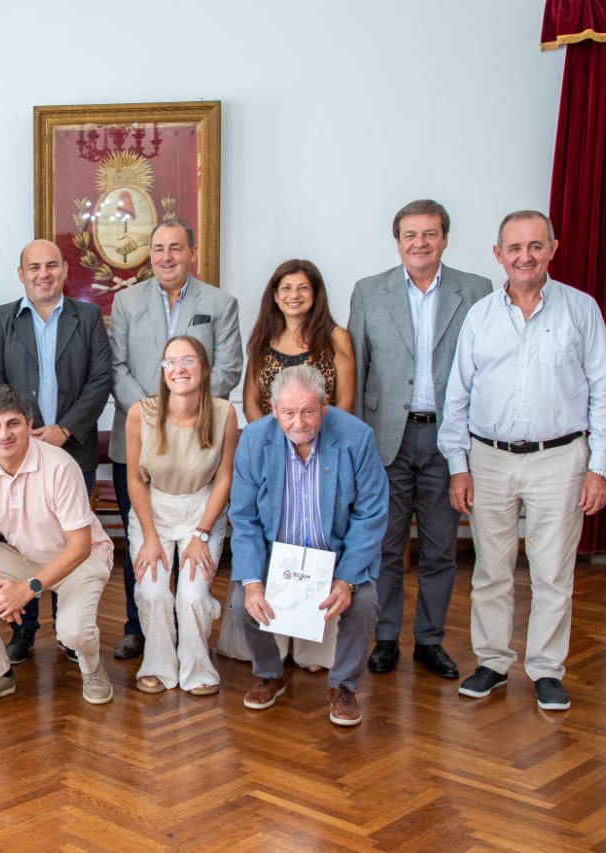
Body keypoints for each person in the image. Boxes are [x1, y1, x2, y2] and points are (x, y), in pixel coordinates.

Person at [439, 210, 606, 712]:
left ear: (552, 249)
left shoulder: (581, 310)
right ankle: (493, 662)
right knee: (490, 570)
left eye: (535, 246)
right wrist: (458, 465)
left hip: (559, 460)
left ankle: (546, 669)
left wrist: (599, 467)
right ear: (498, 254)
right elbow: (457, 396)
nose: (525, 256)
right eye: (515, 248)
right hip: (489, 459)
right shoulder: (480, 317)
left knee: (552, 572)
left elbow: (605, 392)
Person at [348, 199, 492, 680]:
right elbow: (357, 370)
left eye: (430, 233)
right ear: (397, 242)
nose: (420, 243)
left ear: (445, 239)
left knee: (440, 548)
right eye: (410, 235)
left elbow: (483, 372)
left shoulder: (476, 291)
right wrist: (357, 448)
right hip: (386, 439)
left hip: (447, 439)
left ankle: (430, 640)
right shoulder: (369, 292)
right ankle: (385, 638)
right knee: (386, 547)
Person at [107, 218, 242, 660]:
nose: (167, 257)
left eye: (176, 248)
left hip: (199, 445)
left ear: (191, 253)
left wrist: (185, 409)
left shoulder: (219, 303)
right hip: (138, 443)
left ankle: (189, 629)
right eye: (159, 248)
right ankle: (139, 628)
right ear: (149, 254)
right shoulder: (126, 302)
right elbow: (116, 367)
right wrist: (154, 417)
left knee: (191, 560)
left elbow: (228, 368)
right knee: (144, 547)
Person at [228, 366, 388, 726]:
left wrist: (345, 580)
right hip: (276, 555)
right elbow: (244, 517)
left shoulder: (357, 438)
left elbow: (371, 515)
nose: (298, 423)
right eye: (288, 412)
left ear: (325, 405)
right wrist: (253, 582)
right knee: (241, 602)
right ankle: (270, 674)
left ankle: (343, 686)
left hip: (336, 557)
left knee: (364, 602)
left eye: (308, 411)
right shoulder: (254, 440)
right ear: (273, 409)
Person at [0, 238, 112, 664]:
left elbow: (101, 380)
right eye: (34, 267)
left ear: (64, 271)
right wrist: (19, 437)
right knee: (21, 542)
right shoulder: (2, 319)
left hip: (72, 450)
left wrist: (64, 429)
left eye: (51, 265)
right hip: (14, 454)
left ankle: (68, 632)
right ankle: (24, 630)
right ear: (21, 274)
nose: (43, 274)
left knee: (66, 539)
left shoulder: (86, 317)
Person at [0, 385, 114, 708]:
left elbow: (80, 545)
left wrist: (27, 590)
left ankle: (93, 666)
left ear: (29, 425)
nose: (4, 434)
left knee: (72, 633)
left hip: (80, 559)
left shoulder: (60, 466)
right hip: (25, 557)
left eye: (13, 423)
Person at [127, 336, 238, 695]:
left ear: (204, 369)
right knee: (153, 592)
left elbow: (224, 478)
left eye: (188, 360)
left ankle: (197, 665)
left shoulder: (224, 414)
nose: (179, 369)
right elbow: (134, 479)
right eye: (171, 362)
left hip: (202, 510)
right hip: (153, 510)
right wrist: (150, 537)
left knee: (191, 596)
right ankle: (158, 664)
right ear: (163, 371)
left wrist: (201, 534)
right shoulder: (140, 413)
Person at [242, 258, 354, 420]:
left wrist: (316, 435)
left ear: (315, 294)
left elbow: (346, 402)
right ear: (275, 296)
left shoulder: (336, 337)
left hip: (325, 434)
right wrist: (271, 435)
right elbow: (250, 403)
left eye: (303, 288)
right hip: (271, 434)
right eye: (286, 288)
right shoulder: (262, 340)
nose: (294, 295)